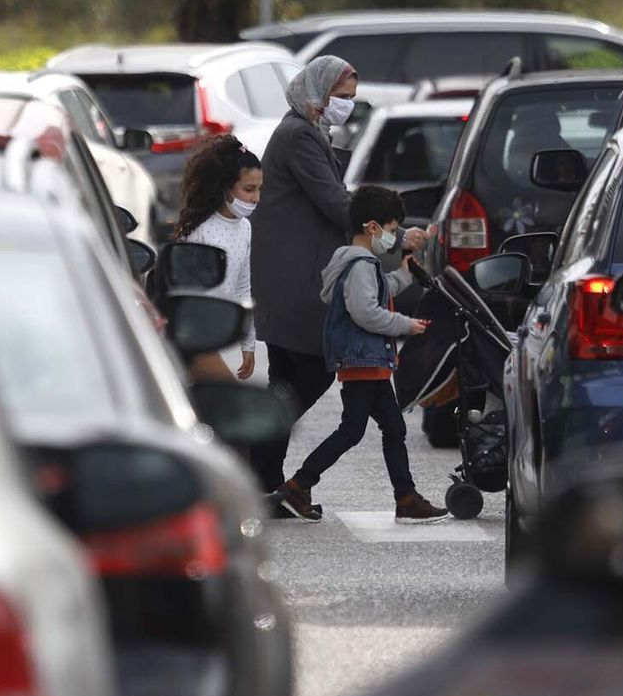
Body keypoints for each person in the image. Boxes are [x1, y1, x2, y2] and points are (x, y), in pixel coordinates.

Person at [249, 55, 430, 499]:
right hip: (298, 282)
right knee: (307, 376)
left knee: (289, 383)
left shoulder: (307, 132)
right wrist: (395, 235)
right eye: (339, 97)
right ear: (316, 93)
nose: (345, 106)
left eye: (350, 98)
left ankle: (266, 481)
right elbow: (336, 202)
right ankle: (253, 464)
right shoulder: (299, 136)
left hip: (289, 277)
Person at [269, 186, 450, 525]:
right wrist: (405, 325)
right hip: (362, 361)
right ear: (372, 228)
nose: (393, 237)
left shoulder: (361, 264)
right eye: (392, 229)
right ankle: (299, 485)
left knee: (393, 428)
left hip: (370, 362)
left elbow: (380, 290)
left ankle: (405, 497)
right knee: (353, 430)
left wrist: (405, 275)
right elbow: (365, 311)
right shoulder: (360, 265)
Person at [174, 135, 262, 381]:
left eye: (258, 189)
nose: (256, 198)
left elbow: (244, 285)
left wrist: (249, 344)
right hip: (195, 337)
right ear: (226, 188)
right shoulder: (199, 231)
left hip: (219, 335)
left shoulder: (245, 227)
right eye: (248, 189)